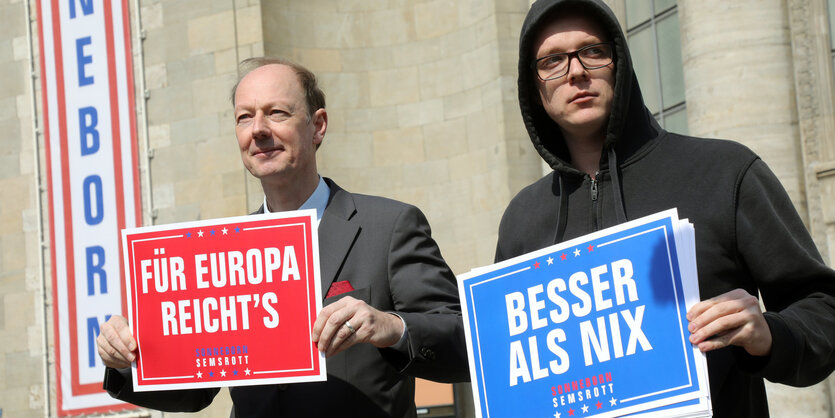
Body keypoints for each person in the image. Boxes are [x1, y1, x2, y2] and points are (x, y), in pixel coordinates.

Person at [496, 0, 835, 416]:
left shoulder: (725, 172)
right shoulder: (521, 219)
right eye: (552, 61)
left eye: (593, 51)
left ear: (619, 61)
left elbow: (822, 311)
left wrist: (769, 333)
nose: (576, 71)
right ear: (534, 88)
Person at [96, 57, 468, 417]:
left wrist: (391, 327)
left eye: (277, 113)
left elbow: (467, 342)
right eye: (245, 117)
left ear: (317, 125)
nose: (258, 129)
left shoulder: (389, 227)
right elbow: (196, 391)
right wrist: (127, 358)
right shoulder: (222, 253)